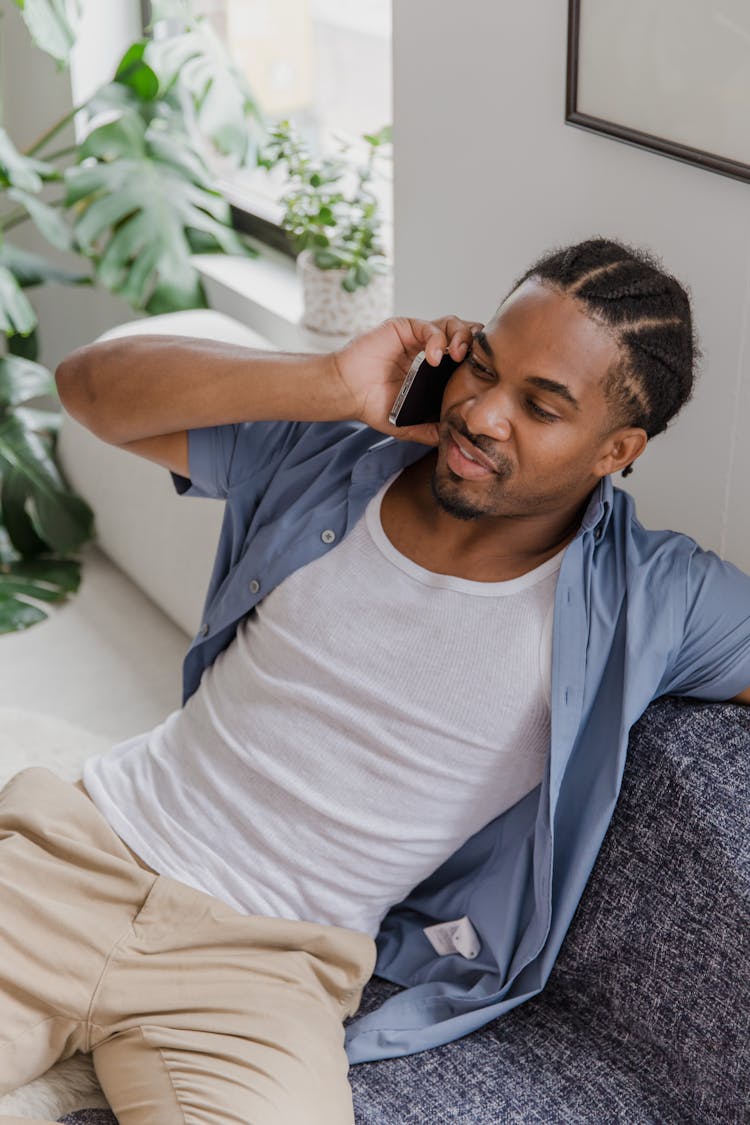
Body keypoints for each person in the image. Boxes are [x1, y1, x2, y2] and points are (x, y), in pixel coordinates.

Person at [2, 237, 749, 1125]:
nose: (482, 413)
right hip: (81, 853)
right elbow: (88, 386)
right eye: (481, 364)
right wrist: (330, 383)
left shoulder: (655, 595)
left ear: (615, 448)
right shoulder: (336, 457)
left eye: (540, 406)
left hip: (269, 967)